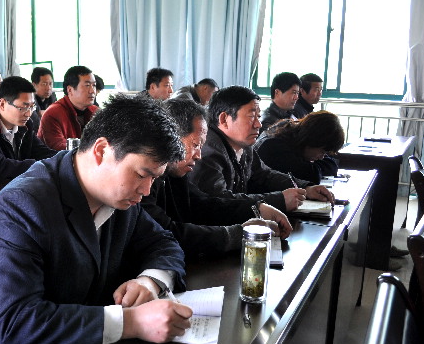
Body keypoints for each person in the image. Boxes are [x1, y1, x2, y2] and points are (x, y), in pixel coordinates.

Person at [0, 95, 192, 344]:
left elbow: (163, 242)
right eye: (143, 175)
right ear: (102, 150)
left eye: (154, 179)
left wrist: (150, 280)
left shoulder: (118, 198)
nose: (146, 191)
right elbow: (17, 325)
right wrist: (132, 322)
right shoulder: (20, 207)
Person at [142, 98, 291, 259]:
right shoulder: (145, 180)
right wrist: (240, 233)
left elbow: (205, 204)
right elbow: (166, 232)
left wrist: (257, 209)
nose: (199, 155)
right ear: (171, 138)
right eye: (195, 145)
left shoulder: (175, 174)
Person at [194, 85, 333, 212]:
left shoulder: (244, 145)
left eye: (258, 117)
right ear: (224, 119)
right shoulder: (206, 152)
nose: (258, 124)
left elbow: (264, 175)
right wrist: (280, 200)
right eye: (251, 116)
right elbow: (220, 201)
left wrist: (305, 188)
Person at [254, 111, 343, 184]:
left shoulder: (295, 137)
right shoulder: (276, 146)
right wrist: (315, 168)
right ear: (313, 140)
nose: (322, 157)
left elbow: (332, 166)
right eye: (322, 151)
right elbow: (312, 175)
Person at [38, 65, 99, 150]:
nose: (92, 91)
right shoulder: (53, 114)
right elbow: (59, 148)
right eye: (87, 85)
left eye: (94, 85)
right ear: (70, 90)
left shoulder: (96, 112)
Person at [30, 66, 57, 134]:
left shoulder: (52, 95)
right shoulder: (29, 98)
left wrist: (43, 114)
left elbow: (57, 120)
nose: (48, 88)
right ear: (34, 85)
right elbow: (36, 125)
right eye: (44, 84)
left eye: (50, 84)